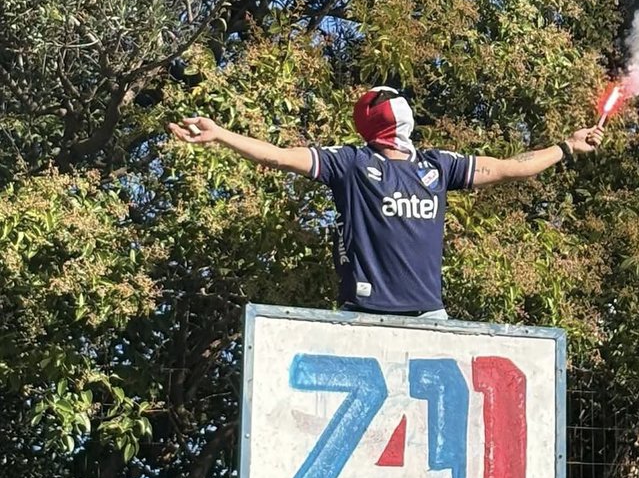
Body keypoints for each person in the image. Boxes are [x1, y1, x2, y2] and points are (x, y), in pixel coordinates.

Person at [168, 86, 604, 318]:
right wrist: (221, 134)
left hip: (431, 316)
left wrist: (566, 146)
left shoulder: (438, 165)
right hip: (364, 316)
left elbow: (510, 166)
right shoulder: (351, 164)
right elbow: (281, 157)